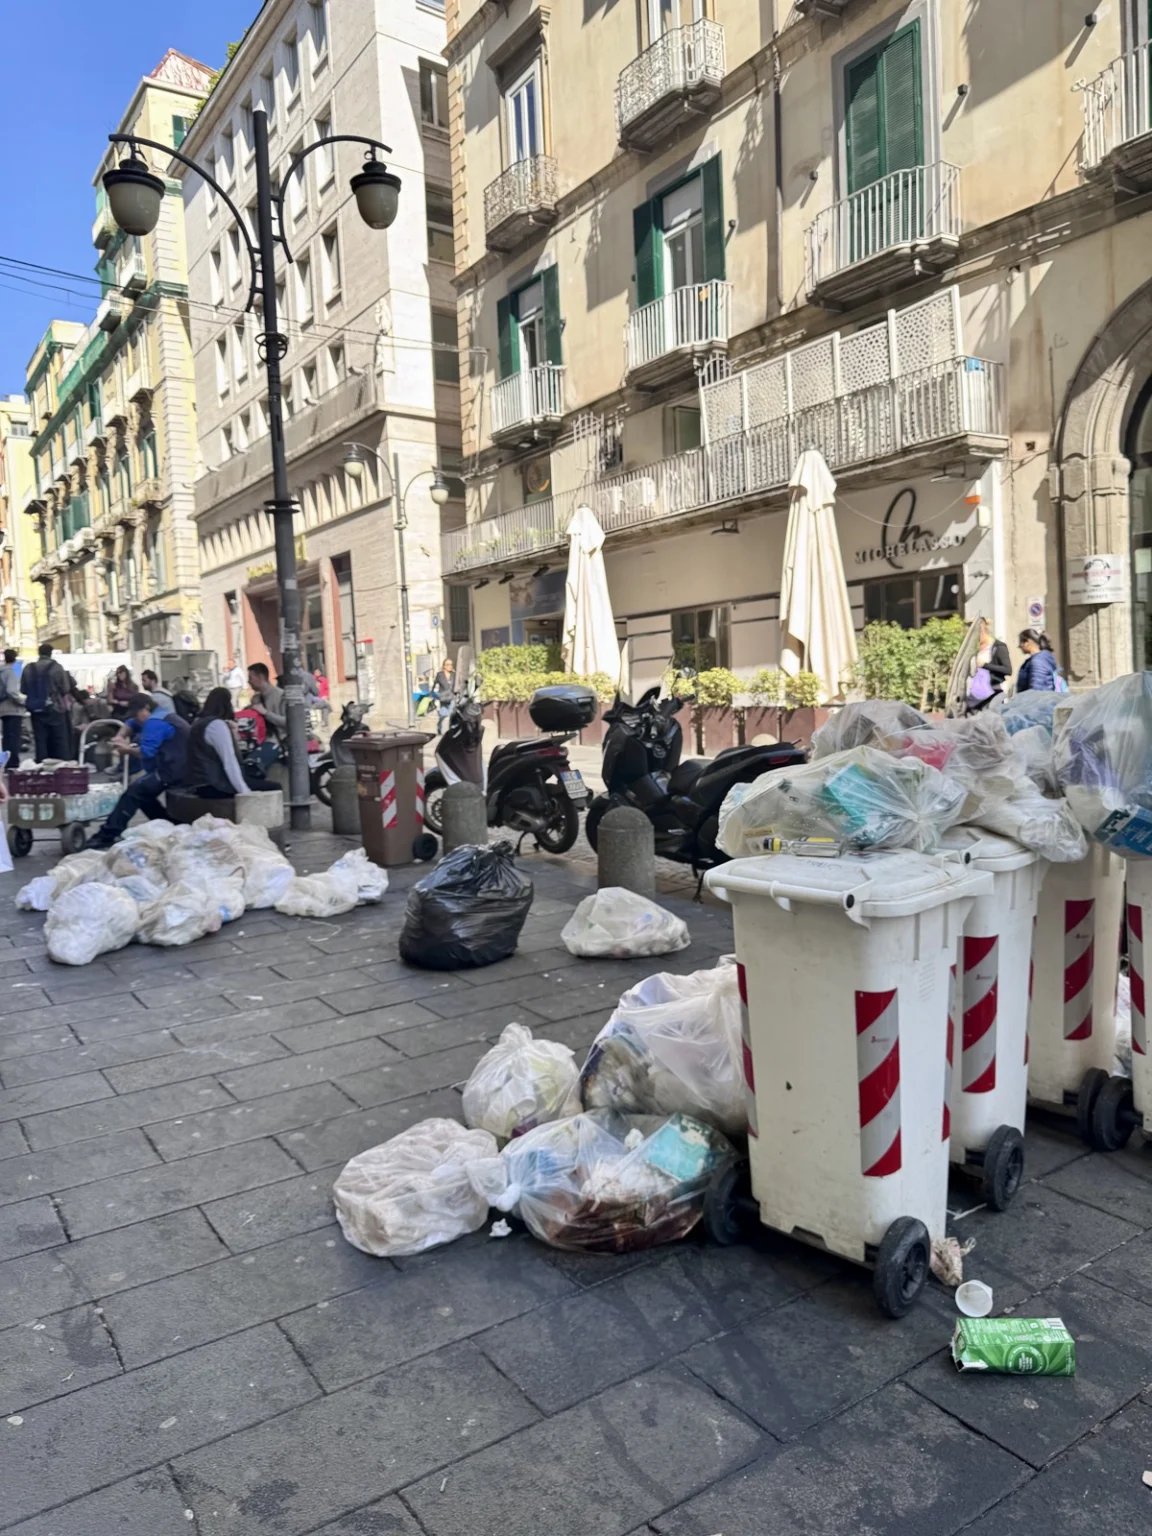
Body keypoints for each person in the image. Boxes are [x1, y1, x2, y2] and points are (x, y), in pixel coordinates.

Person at [88, 694, 190, 848]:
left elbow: (146, 752)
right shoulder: (161, 714)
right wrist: (121, 735)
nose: (136, 719)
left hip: (173, 770)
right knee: (143, 795)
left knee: (134, 792)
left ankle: (107, 834)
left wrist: (125, 749)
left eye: (137, 714)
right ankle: (170, 826)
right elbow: (132, 723)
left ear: (146, 709)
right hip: (177, 766)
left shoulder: (154, 722)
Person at [187, 687, 273, 797]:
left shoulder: (198, 722)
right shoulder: (216, 725)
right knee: (274, 787)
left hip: (200, 783)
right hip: (216, 784)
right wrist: (244, 791)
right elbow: (229, 761)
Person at [21, 644, 72, 762]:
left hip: (35, 709)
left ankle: (41, 766)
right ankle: (59, 766)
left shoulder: (28, 668)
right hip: (55, 708)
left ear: (39, 653)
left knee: (40, 740)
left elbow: (23, 690)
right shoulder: (56, 667)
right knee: (59, 739)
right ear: (51, 653)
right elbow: (65, 688)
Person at [966, 619, 1013, 713]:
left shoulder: (998, 647)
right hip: (976, 697)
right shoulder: (976, 649)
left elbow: (1008, 670)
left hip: (993, 694)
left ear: (982, 630)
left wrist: (985, 665)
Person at [247, 662, 286, 769]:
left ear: (260, 677)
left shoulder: (281, 696)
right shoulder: (255, 699)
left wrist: (266, 713)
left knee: (254, 765)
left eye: (251, 678)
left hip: (277, 741)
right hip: (257, 741)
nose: (248, 682)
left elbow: (288, 722)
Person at [0, 649, 25, 768]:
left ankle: (6, 760)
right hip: (13, 709)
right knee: (14, 737)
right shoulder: (11, 672)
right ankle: (13, 762)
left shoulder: (1, 670)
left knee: (7, 736)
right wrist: (22, 701)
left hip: (2, 708)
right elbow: (12, 691)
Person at [1016, 628, 1061, 692]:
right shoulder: (1036, 659)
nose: (1019, 646)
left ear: (1028, 642)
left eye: (1021, 642)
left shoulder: (1038, 660)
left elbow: (1037, 687)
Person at [434, 657, 455, 735]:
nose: (450, 666)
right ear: (444, 666)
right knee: (443, 714)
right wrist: (433, 694)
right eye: (448, 664)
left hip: (452, 696)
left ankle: (450, 730)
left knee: (451, 714)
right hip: (443, 697)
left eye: (451, 664)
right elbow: (435, 684)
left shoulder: (454, 674)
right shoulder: (440, 674)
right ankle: (439, 727)